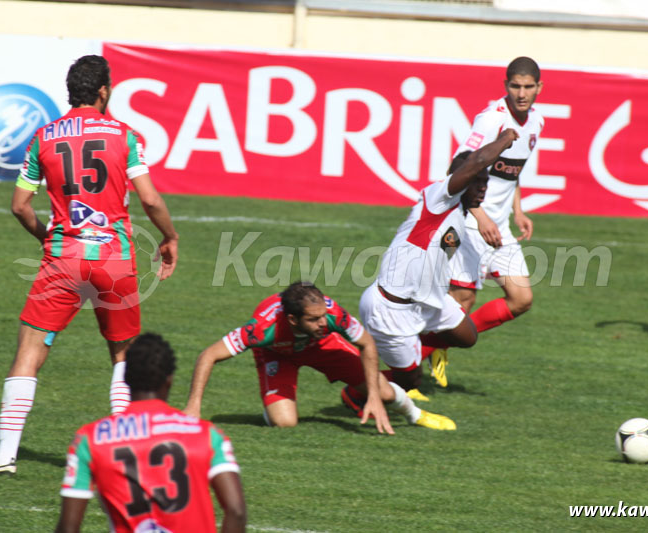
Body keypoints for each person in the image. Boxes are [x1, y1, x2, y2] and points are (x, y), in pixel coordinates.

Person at [0, 55, 179, 475]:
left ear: (71, 91)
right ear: (103, 91)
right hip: (114, 260)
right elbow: (151, 199)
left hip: (64, 258)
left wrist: (49, 237)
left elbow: (20, 206)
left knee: (29, 351)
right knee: (123, 354)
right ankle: (125, 457)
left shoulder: (43, 137)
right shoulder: (125, 136)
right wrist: (170, 238)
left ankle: (5, 455)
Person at [359, 128, 519, 395]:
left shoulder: (460, 213)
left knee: (467, 337)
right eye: (475, 180)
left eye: (485, 182)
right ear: (460, 179)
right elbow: (477, 162)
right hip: (392, 305)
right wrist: (505, 139)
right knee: (411, 382)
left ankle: (417, 344)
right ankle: (356, 389)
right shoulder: (438, 200)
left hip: (428, 302)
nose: (482, 186)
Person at [183, 281, 456, 432]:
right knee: (285, 423)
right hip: (278, 354)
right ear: (292, 319)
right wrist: (194, 407)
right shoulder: (263, 330)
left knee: (383, 393)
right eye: (314, 319)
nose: (323, 322)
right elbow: (209, 355)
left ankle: (415, 414)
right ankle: (275, 400)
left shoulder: (331, 318)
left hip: (323, 347)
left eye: (323, 315)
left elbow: (367, 344)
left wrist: (371, 394)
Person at [54, 333, 246, 533]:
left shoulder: (89, 439)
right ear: (169, 379)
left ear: (125, 378)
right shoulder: (208, 435)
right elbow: (236, 510)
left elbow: (69, 527)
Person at [429, 56, 544, 387]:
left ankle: (443, 343)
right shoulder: (491, 120)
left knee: (521, 299)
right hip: (470, 222)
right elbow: (458, 169)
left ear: (539, 88)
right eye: (515, 86)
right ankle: (407, 367)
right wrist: (479, 216)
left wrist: (518, 210)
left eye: (528, 87)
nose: (522, 93)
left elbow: (512, 171)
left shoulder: (536, 122)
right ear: (505, 85)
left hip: (499, 226)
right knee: (461, 301)